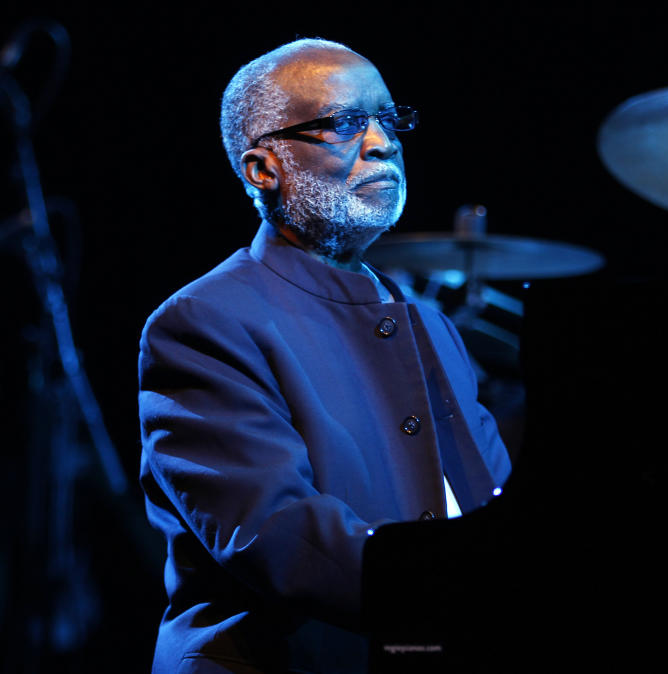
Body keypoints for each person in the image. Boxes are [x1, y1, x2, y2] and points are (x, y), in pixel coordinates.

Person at [138, 38, 512, 673]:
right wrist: (454, 595)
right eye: (343, 123)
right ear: (263, 168)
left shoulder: (431, 325)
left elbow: (481, 508)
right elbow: (276, 535)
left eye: (388, 120)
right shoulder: (202, 322)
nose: (381, 142)